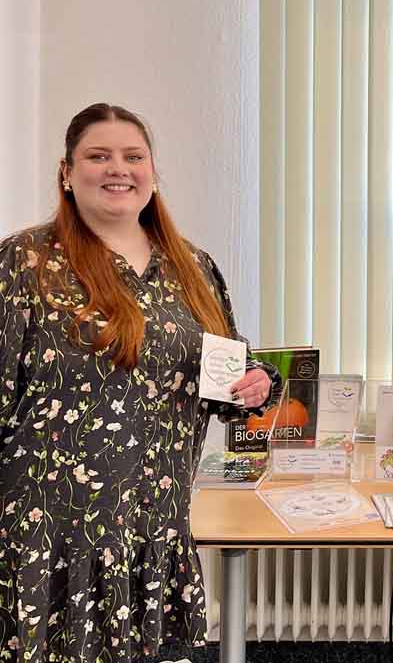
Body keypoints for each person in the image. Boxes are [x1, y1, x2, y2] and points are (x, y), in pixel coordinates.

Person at [0, 103, 281, 662]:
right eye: (97, 156)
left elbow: (224, 370)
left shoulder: (193, 267)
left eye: (133, 156)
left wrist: (258, 381)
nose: (117, 169)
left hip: (155, 529)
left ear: (153, 172)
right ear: (66, 172)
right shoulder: (25, 262)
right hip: (52, 535)